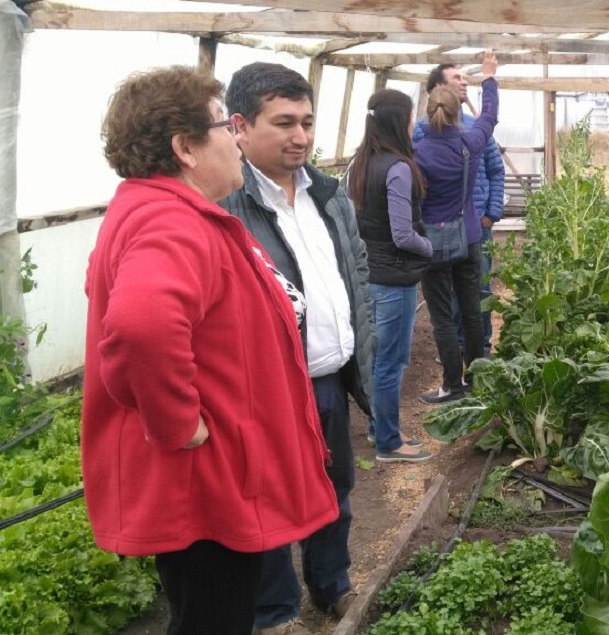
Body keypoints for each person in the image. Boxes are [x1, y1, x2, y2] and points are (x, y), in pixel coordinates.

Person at [83, 66, 338, 635]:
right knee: (214, 617)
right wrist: (178, 422)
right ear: (185, 148)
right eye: (225, 126)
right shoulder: (171, 220)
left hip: (209, 480)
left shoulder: (163, 211)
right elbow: (141, 324)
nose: (236, 139)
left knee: (209, 611)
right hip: (204, 480)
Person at [220, 62, 376, 635]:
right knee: (269, 500)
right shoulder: (227, 204)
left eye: (307, 122)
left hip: (329, 377)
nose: (301, 137)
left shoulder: (328, 194)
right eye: (284, 122)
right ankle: (276, 612)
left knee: (335, 488)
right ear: (239, 126)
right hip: (266, 390)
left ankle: (332, 584)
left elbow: (356, 264)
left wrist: (365, 337)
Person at [347, 89, 434, 463]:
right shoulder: (398, 168)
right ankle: (389, 442)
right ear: (399, 121)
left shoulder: (359, 163)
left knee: (374, 356)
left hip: (368, 275)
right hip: (395, 280)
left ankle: (376, 427)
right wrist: (430, 248)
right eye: (411, 117)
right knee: (391, 362)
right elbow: (402, 234)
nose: (414, 124)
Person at [414, 50, 499, 404]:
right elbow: (489, 116)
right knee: (471, 309)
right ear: (455, 112)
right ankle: (477, 379)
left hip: (433, 244)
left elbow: (412, 197)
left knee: (443, 318)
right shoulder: (470, 142)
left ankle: (452, 385)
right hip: (468, 238)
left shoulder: (416, 152)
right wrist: (489, 77)